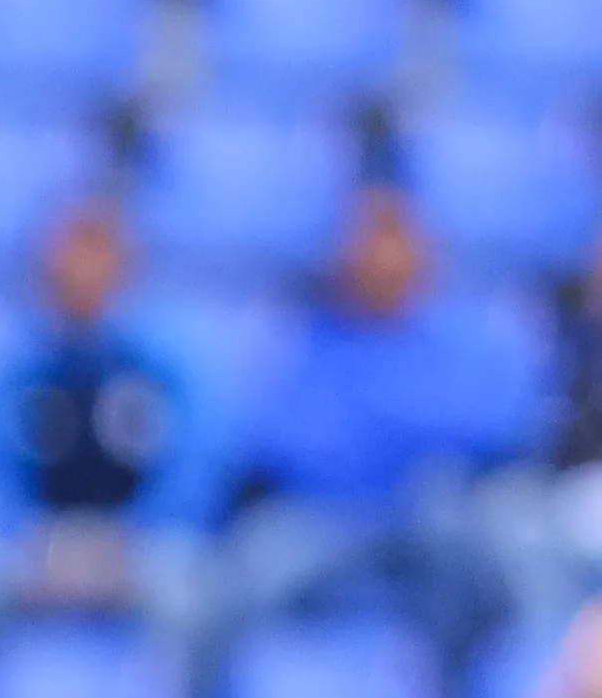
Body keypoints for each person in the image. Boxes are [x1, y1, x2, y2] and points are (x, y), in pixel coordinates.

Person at [228, 182, 547, 643]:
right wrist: (410, 427)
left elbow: (501, 429)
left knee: (494, 535)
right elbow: (286, 444)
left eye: (397, 242)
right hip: (324, 521)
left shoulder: (467, 343)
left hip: (430, 522)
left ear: (426, 257)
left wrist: (378, 425)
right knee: (256, 561)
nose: (383, 259)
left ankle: (472, 695)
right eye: (369, 241)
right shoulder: (303, 343)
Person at [0, 200, 212, 623]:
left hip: (137, 545)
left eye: (96, 258)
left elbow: (196, 464)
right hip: (39, 545)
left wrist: (135, 536)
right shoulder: (16, 367)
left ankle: (175, 691)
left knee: (187, 595)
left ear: (123, 269)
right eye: (70, 259)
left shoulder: (165, 365)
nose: (82, 274)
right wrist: (33, 539)